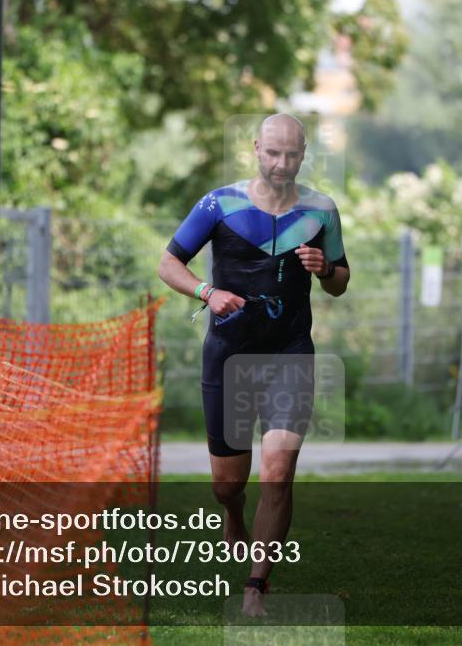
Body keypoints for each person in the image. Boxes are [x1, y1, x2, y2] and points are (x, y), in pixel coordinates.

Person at [158, 114, 350, 614]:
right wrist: (208, 291)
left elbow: (340, 280)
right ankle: (232, 515)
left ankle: (255, 587)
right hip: (229, 354)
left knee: (279, 470)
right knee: (227, 483)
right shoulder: (219, 204)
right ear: (256, 149)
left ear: (304, 153)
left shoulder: (322, 210)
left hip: (289, 351)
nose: (281, 164)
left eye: (291, 154)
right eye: (272, 153)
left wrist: (326, 269)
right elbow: (168, 263)